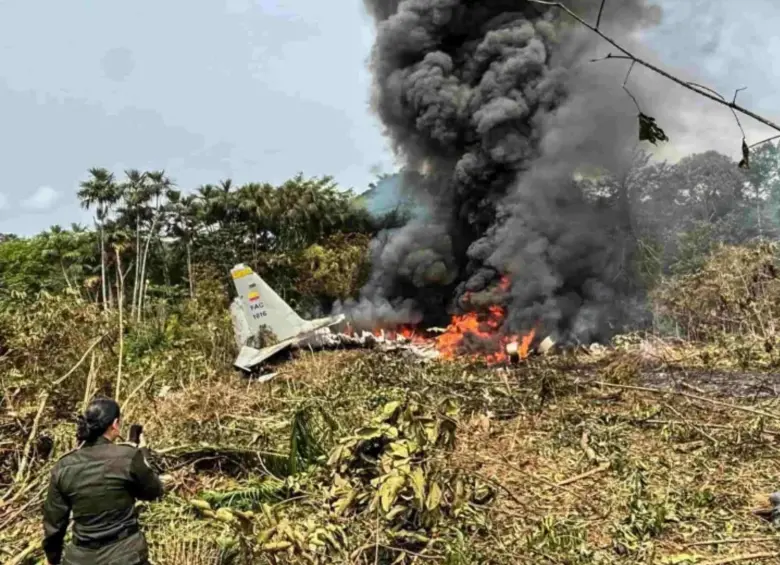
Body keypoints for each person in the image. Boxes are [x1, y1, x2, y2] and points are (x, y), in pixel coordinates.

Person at [42, 397, 165, 565]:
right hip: (126, 555)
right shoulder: (128, 456)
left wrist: (53, 558)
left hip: (79, 558)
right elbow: (154, 491)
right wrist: (142, 453)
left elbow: (54, 524)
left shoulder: (63, 466)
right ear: (115, 424)